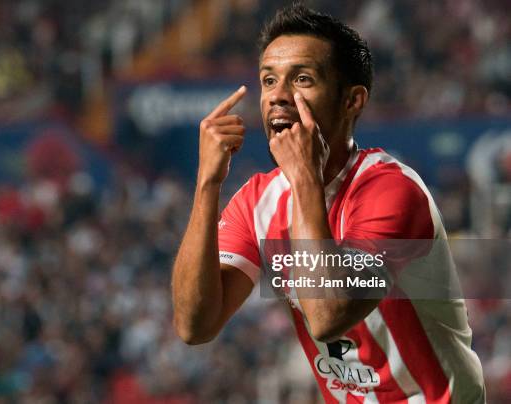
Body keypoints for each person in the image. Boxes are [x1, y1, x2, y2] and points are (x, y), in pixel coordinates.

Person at [171, 3, 485, 402]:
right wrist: (207, 184)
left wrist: (304, 176)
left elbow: (327, 315)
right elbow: (194, 326)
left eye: (302, 79)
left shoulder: (392, 192)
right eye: (269, 81)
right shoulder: (257, 200)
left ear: (352, 100)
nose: (279, 97)